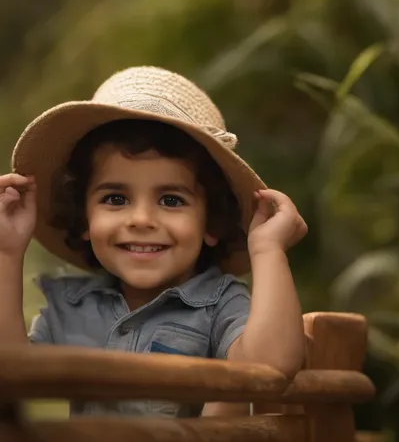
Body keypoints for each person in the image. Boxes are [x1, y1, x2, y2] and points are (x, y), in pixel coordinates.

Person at [0, 66, 308, 417]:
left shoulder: (219, 303)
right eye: (116, 199)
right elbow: (10, 374)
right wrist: (6, 253)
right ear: (84, 218)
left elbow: (269, 369)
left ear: (211, 223)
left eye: (171, 200)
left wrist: (268, 250)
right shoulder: (74, 306)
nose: (142, 220)